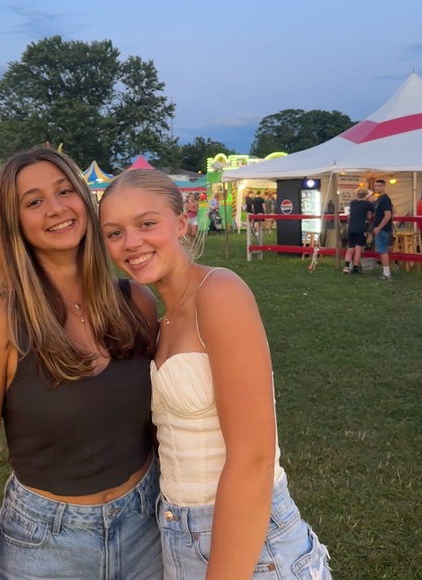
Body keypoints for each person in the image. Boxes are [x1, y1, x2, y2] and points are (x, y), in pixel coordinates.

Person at [99, 169, 331, 580]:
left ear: (181, 224)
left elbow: (254, 458)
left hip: (250, 542)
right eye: (115, 233)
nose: (131, 242)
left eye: (147, 224)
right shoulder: (161, 321)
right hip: (176, 532)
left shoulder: (219, 292)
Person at [0, 148, 163, 580]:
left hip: (148, 530)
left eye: (65, 191)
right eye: (34, 201)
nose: (56, 209)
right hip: (46, 547)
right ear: (15, 222)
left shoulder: (137, 302)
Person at [343, 187, 375, 274]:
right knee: (358, 249)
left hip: (351, 227)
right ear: (366, 195)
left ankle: (346, 266)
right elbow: (373, 210)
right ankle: (355, 268)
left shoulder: (353, 203)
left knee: (350, 248)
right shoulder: (367, 204)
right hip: (361, 228)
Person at [372, 179, 393, 280]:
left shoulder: (385, 199)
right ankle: (386, 272)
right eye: (375, 186)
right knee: (382, 250)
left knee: (383, 250)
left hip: (382, 228)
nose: (377, 188)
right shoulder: (379, 199)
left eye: (379, 186)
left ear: (384, 187)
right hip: (380, 227)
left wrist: (379, 227)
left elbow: (388, 215)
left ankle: (386, 274)